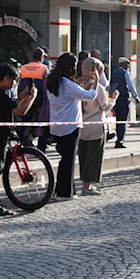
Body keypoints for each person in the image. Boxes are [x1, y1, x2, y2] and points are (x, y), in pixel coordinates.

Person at [0, 64, 37, 216]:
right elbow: (21, 111)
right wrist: (32, 98)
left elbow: (13, 105)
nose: (15, 84)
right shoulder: (0, 94)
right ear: (6, 78)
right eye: (14, 80)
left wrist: (22, 97)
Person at [48, 53, 97, 199]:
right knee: (68, 160)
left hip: (57, 123)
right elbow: (90, 96)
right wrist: (96, 81)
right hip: (71, 125)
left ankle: (62, 189)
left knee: (65, 159)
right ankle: (64, 192)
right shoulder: (67, 84)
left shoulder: (52, 82)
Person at [77, 57, 117, 195]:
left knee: (83, 156)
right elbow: (105, 107)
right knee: (94, 158)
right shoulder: (98, 87)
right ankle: (87, 186)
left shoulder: (78, 85)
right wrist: (114, 99)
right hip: (96, 126)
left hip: (83, 126)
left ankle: (84, 183)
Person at [18, 47, 49, 146]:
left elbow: (19, 83)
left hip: (24, 97)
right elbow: (46, 86)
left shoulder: (23, 67)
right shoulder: (44, 68)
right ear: (41, 57)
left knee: (25, 120)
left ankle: (25, 140)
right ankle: (32, 142)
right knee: (38, 122)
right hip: (37, 99)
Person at [110, 56, 140, 149]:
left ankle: (119, 139)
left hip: (116, 100)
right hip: (124, 99)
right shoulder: (126, 73)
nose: (129, 65)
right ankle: (120, 140)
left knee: (118, 120)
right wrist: (136, 96)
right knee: (123, 120)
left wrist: (111, 97)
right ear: (123, 64)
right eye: (127, 63)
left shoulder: (114, 73)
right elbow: (131, 86)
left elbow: (110, 86)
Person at [90, 49, 115, 141]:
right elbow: (104, 82)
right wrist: (113, 99)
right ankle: (106, 132)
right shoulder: (98, 67)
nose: (99, 57)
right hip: (97, 95)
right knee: (102, 113)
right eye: (98, 55)